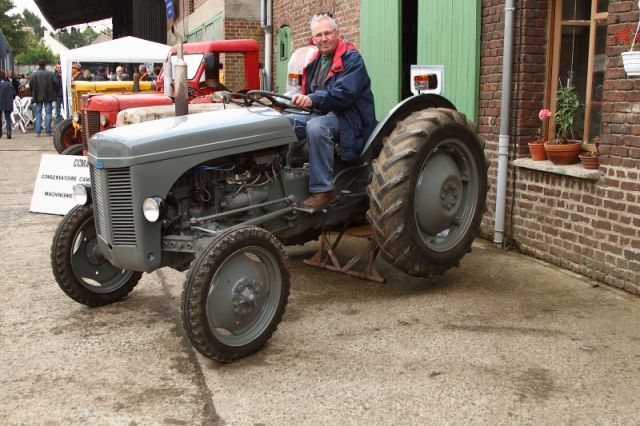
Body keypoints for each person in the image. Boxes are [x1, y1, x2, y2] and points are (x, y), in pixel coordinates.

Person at [289, 13, 376, 209]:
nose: (323, 38)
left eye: (327, 33)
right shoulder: (314, 62)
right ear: (313, 39)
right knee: (284, 123)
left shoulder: (352, 59)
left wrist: (312, 99)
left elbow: (345, 93)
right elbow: (309, 93)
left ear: (337, 33)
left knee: (316, 127)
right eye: (318, 35)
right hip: (322, 114)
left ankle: (322, 190)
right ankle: (281, 178)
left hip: (351, 119)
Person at [30, 59, 56, 137]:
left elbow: (31, 85)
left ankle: (37, 132)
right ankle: (48, 131)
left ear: (38, 65)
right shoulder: (50, 74)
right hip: (48, 95)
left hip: (38, 96)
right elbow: (56, 83)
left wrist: (33, 92)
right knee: (48, 113)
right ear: (45, 65)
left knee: (38, 113)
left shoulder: (34, 74)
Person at [0, 70, 16, 139]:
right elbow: (14, 95)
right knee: (8, 118)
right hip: (8, 102)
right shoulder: (9, 84)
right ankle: (9, 133)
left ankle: (0, 133)